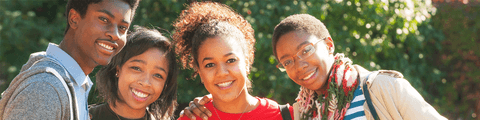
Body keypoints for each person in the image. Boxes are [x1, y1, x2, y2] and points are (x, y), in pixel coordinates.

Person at [184, 14, 447, 120]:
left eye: (306, 50)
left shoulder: (383, 89)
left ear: (329, 45)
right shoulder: (301, 112)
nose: (300, 65)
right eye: (287, 61)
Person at [0, 0, 140, 119]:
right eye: (104, 19)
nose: (115, 35)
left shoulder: (74, 84)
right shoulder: (46, 88)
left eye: (122, 28)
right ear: (74, 19)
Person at [173, 2, 293, 120]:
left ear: (247, 61)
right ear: (199, 72)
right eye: (209, 64)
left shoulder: (287, 116)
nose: (222, 72)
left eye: (230, 60)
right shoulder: (191, 118)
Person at [88, 26, 178, 120]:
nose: (145, 82)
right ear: (118, 69)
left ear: (165, 85)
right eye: (137, 68)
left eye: (157, 75)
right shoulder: (81, 116)